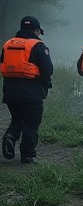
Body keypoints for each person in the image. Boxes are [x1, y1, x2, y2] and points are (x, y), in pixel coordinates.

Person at [1, 16, 53, 163]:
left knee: (17, 119)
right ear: (36, 30)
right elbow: (48, 70)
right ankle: (28, 156)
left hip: (10, 90)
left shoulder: (8, 44)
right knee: (31, 123)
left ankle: (11, 136)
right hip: (31, 92)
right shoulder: (38, 45)